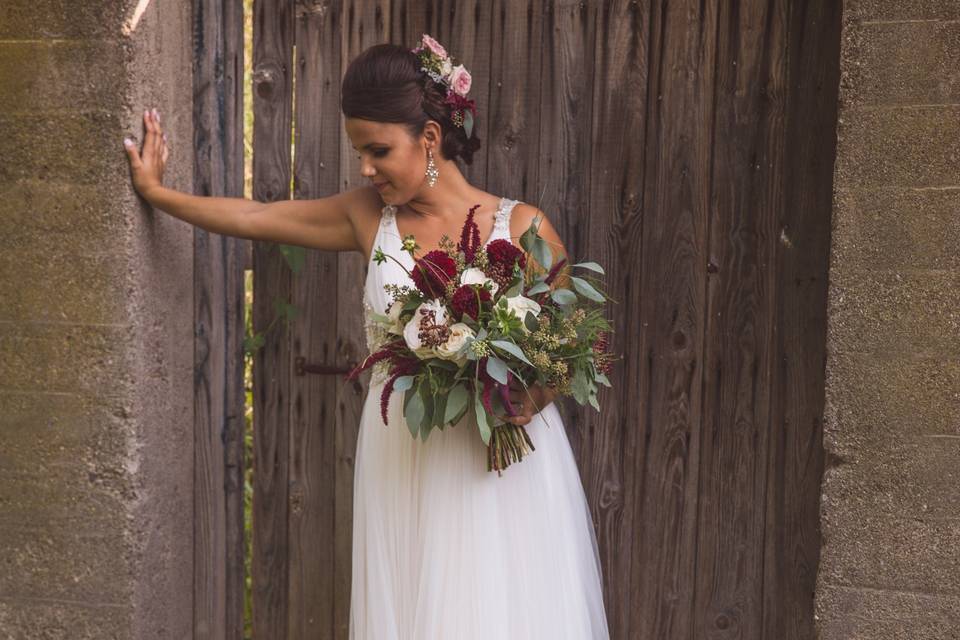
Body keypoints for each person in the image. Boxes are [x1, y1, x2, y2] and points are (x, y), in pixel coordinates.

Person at [124, 35, 610, 640]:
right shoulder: (366, 217)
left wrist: (526, 400)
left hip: (494, 464)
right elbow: (257, 217)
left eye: (378, 150)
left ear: (429, 138)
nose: (365, 168)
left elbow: (573, 342)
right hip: (400, 457)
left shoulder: (524, 227)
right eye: (359, 151)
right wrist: (157, 193)